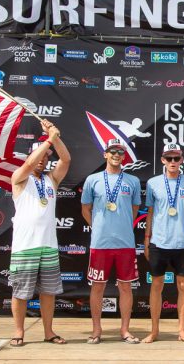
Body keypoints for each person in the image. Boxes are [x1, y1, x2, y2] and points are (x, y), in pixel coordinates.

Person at [8, 119, 70, 347]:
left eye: (46, 158)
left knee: (48, 292)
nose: (43, 160)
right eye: (39, 157)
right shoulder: (19, 178)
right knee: (21, 293)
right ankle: (18, 332)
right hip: (25, 246)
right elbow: (29, 163)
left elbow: (66, 159)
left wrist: (55, 136)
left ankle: (48, 332)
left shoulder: (51, 179)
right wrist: (48, 140)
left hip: (49, 246)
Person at [81, 138, 142, 344]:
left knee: (125, 287)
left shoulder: (132, 181)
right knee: (97, 286)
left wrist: (122, 224)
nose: (116, 155)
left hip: (125, 243)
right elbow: (85, 208)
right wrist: (97, 226)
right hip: (100, 243)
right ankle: (96, 330)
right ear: (105, 154)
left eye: (120, 152)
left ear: (124, 156)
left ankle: (125, 330)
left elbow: (134, 209)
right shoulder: (93, 179)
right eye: (112, 151)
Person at [142, 143, 184, 344]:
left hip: (183, 243)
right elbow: (149, 213)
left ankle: (182, 330)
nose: (173, 162)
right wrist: (147, 239)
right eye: (169, 158)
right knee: (156, 285)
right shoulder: (152, 183)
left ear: (182, 160)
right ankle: (154, 331)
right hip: (159, 242)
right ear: (162, 160)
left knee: (183, 286)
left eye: (176, 158)